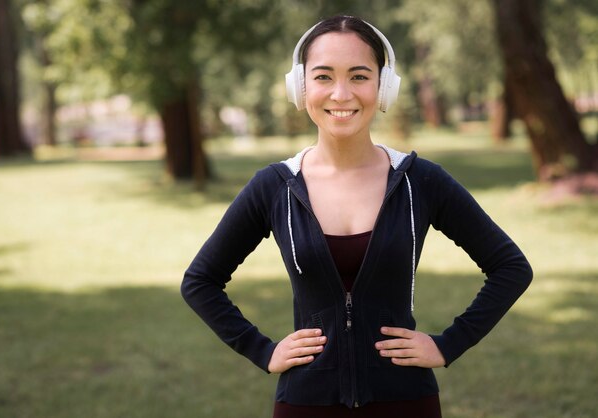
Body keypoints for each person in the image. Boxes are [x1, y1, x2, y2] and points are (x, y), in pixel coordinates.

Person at [182, 15, 532, 418]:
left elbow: (510, 267)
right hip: (305, 401)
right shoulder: (274, 186)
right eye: (324, 77)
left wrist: (449, 343)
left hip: (406, 399)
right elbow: (200, 281)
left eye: (359, 76)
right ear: (301, 87)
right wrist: (262, 350)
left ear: (383, 87)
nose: (341, 94)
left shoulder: (422, 181)